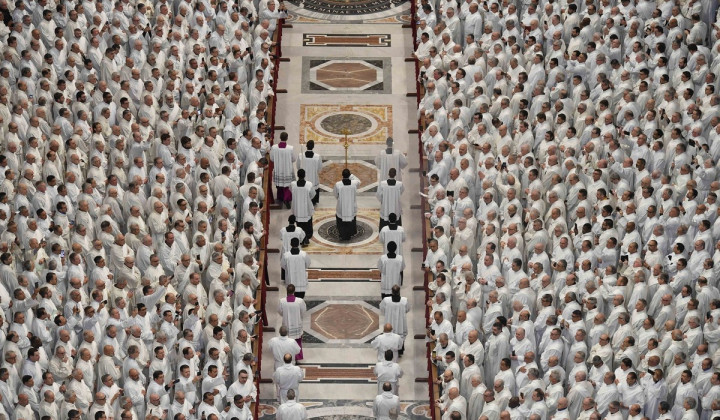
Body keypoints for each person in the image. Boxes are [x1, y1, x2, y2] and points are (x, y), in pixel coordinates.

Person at [278, 284, 307, 361]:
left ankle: (287, 356)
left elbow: (280, 312)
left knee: (287, 341)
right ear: (294, 291)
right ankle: (297, 357)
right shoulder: (300, 301)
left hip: (286, 324)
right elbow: (303, 311)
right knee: (297, 341)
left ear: (287, 291)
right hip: (297, 323)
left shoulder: (282, 301)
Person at [380, 285, 410, 356]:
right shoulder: (404, 300)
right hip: (400, 322)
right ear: (399, 291)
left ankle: (389, 352)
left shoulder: (386, 300)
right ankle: (399, 351)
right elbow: (407, 309)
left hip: (389, 321)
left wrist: (388, 313)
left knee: (389, 335)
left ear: (392, 292)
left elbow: (382, 309)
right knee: (400, 336)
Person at [269, 132, 297, 208]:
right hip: (287, 169)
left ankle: (280, 198)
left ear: (280, 137)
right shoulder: (290, 148)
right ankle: (287, 199)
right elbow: (294, 159)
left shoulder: (274, 148)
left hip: (278, 169)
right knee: (286, 186)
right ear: (287, 138)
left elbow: (271, 158)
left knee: (280, 185)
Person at [333, 168, 361, 240]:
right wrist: (351, 175)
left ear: (342, 175)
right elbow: (359, 181)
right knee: (350, 220)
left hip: (341, 206)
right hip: (351, 206)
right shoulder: (354, 183)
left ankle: (342, 234)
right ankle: (350, 233)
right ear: (349, 176)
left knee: (341, 220)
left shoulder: (338, 184)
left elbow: (335, 195)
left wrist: (340, 199)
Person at [290, 169, 315, 246]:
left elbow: (292, 192)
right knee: (307, 225)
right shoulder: (309, 184)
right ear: (305, 175)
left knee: (299, 225)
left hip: (297, 208)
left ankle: (302, 239)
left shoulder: (293, 184)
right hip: (306, 208)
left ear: (297, 175)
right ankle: (307, 237)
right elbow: (312, 194)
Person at [297, 140, 322, 205]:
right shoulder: (317, 157)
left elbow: (298, 167)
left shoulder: (301, 156)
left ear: (306, 146)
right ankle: (313, 201)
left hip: (303, 178)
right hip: (313, 178)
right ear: (313, 147)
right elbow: (319, 168)